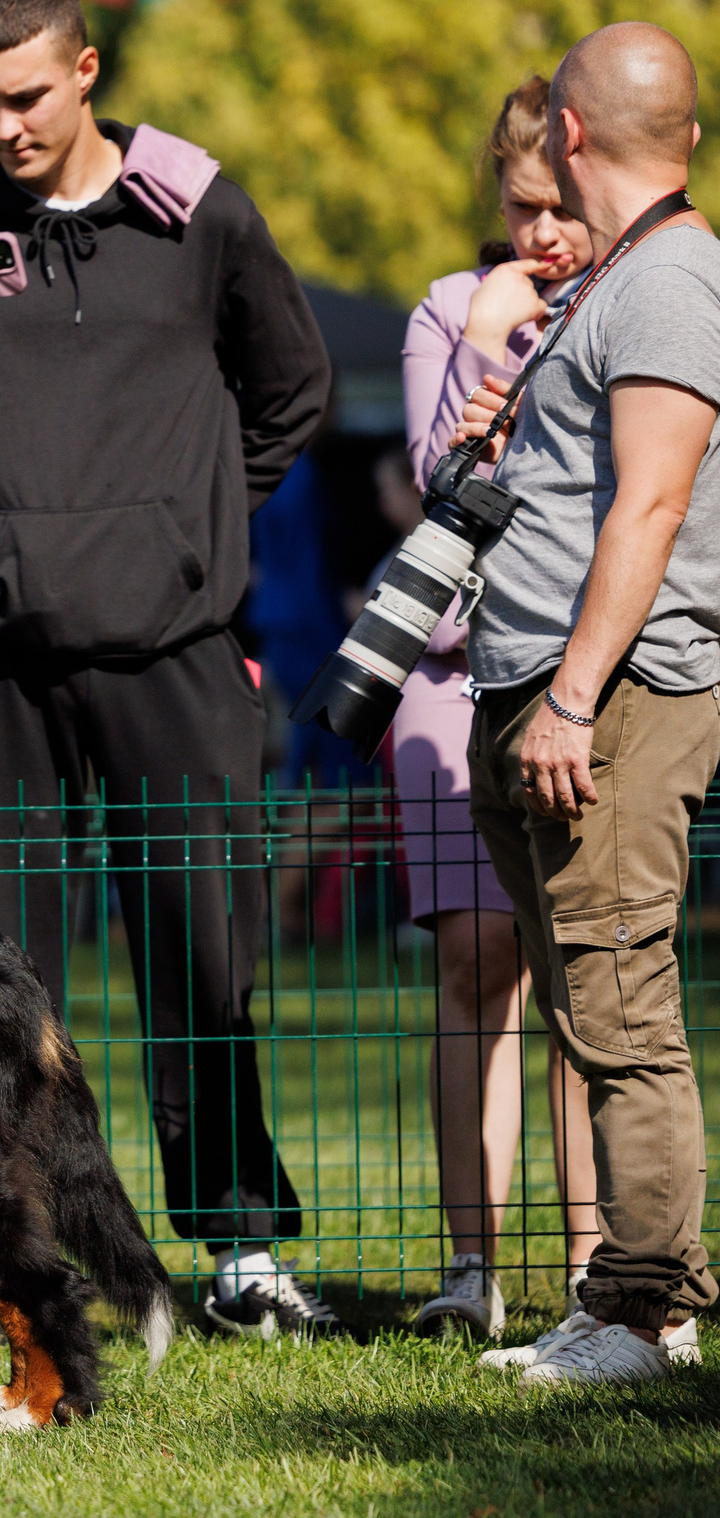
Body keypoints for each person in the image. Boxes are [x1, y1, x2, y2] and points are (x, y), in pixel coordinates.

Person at [0, 0, 342, 1339]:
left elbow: (293, 389)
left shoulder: (197, 211)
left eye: (30, 95)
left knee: (205, 958)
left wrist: (195, 540)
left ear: (87, 69)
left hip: (173, 642)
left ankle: (239, 1249)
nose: (6, 124)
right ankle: (12, 1269)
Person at [451, 22, 720, 1388]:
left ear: (568, 129)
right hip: (541, 688)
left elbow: (655, 503)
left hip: (612, 697)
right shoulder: (611, 277)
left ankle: (649, 1317)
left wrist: (568, 693)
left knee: (621, 1005)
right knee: (581, 997)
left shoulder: (673, 279)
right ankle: (626, 1288)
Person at [396, 76, 601, 1342]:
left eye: (563, 209)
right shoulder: (448, 310)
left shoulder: (631, 303)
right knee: (476, 961)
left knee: (585, 967)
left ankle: (597, 1266)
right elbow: (434, 486)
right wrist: (484, 343)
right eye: (523, 208)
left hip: (577, 664)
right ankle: (469, 1269)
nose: (543, 235)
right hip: (448, 665)